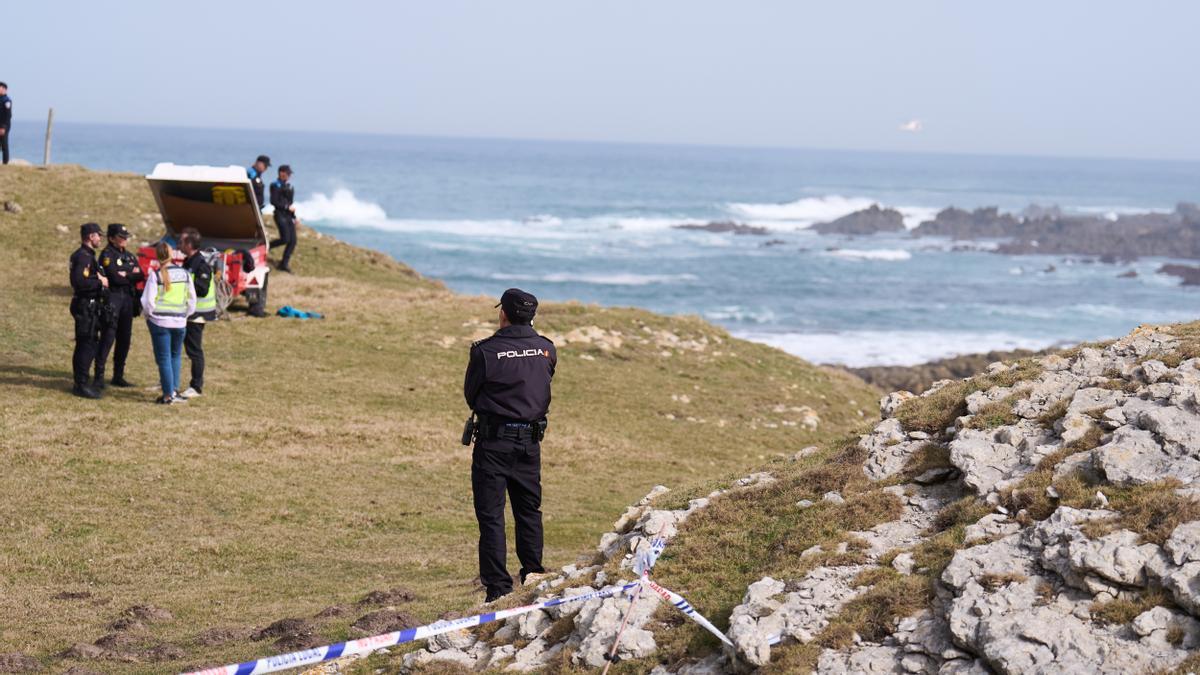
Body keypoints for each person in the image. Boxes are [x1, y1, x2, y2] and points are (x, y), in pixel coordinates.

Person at [463, 288, 557, 603]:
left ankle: (498, 589)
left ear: (503, 313)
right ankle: (533, 573)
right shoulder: (547, 349)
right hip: (530, 443)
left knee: (491, 515)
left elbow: (472, 396)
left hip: (494, 443)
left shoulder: (485, 351)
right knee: (529, 510)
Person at [141, 241, 196, 404]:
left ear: (157, 256)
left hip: (160, 322)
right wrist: (184, 315)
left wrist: (149, 316)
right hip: (179, 322)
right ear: (172, 255)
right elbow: (192, 299)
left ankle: (167, 395)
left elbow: (148, 301)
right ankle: (174, 390)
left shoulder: (156, 275)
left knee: (164, 358)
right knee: (175, 356)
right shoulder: (185, 274)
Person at [95, 223, 145, 388]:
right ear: (111, 238)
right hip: (113, 299)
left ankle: (118, 375)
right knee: (108, 337)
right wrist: (130, 275)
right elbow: (114, 278)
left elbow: (141, 275)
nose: (124, 239)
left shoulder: (129, 256)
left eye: (126, 237)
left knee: (124, 339)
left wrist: (126, 275)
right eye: (121, 237)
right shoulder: (107, 255)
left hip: (128, 301)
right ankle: (98, 376)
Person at [69, 223, 109, 398]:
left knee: (89, 343)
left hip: (89, 305)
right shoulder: (83, 257)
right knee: (86, 344)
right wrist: (100, 282)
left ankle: (81, 381)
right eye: (98, 236)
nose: (100, 239)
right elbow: (79, 282)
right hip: (85, 305)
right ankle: (81, 384)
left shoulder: (88, 256)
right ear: (91, 236)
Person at [178, 227, 216, 399]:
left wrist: (184, 285)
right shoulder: (188, 262)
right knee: (177, 349)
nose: (178, 244)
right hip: (187, 314)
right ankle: (170, 382)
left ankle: (196, 386)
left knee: (194, 351)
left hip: (197, 316)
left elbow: (202, 289)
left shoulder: (201, 265)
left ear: (189, 244)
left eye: (181, 241)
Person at [269, 164, 298, 272]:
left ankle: (284, 264)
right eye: (287, 173)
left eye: (290, 174)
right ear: (281, 173)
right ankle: (267, 246)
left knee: (293, 241)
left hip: (289, 216)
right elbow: (274, 201)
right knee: (285, 239)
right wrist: (286, 207)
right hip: (280, 215)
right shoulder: (275, 185)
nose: (289, 176)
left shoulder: (289, 186)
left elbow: (290, 203)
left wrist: (294, 217)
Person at [0, 82, 11, 165]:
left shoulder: (6, 100)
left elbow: (8, 115)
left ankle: (5, 163)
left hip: (4, 126)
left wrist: (3, 127)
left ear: (4, 89)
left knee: (4, 144)